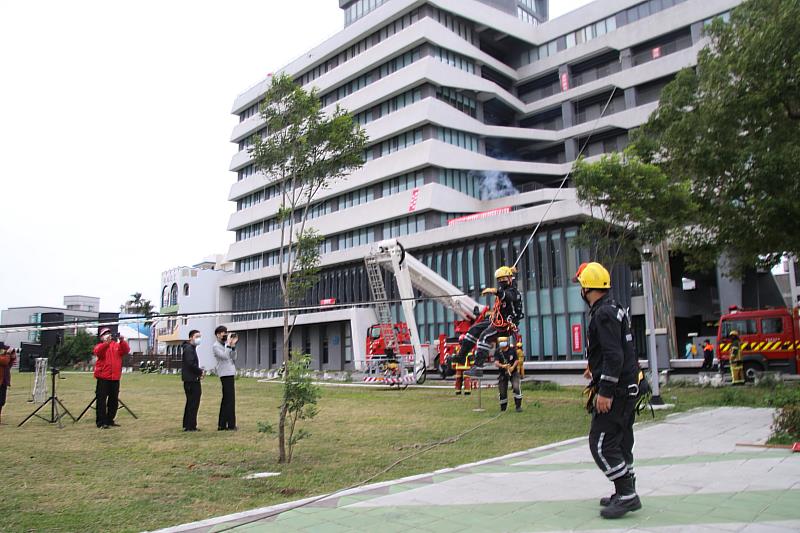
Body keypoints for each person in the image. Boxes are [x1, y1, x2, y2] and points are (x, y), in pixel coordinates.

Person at [574, 261, 642, 519]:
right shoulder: (615, 309)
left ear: (586, 288)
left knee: (600, 444)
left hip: (617, 391)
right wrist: (595, 368)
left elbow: (614, 356)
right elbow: (619, 351)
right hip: (628, 386)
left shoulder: (602, 314)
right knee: (621, 440)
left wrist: (605, 391)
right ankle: (624, 490)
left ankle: (627, 495)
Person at [454, 266, 524, 368]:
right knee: (474, 329)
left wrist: (494, 291)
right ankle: (461, 356)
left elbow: (507, 296)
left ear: (509, 279)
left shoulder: (514, 292)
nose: (501, 281)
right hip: (497, 320)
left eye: (503, 279)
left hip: (506, 325)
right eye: (499, 280)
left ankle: (478, 366)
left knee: (484, 336)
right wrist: (511, 272)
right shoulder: (507, 285)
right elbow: (507, 286)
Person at [93, 328, 130, 429]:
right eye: (105, 334)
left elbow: (126, 350)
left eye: (109, 333)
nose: (108, 335)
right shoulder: (100, 346)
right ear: (101, 337)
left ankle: (110, 420)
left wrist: (122, 340)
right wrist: (106, 343)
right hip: (103, 377)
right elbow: (98, 352)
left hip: (115, 377)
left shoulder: (116, 346)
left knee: (113, 401)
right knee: (101, 400)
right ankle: (101, 422)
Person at [213, 326, 238, 431]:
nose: (225, 335)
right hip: (224, 373)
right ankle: (230, 424)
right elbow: (225, 356)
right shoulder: (216, 346)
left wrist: (233, 346)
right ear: (218, 334)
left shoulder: (225, 345)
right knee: (229, 399)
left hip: (230, 372)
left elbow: (234, 357)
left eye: (226, 333)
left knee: (227, 399)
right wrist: (228, 344)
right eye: (223, 333)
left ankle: (223, 424)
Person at [181, 330, 204, 431]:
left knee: (190, 402)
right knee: (193, 402)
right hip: (191, 380)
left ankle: (187, 423)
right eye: (197, 336)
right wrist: (200, 371)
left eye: (200, 336)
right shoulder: (189, 349)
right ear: (191, 338)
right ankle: (191, 426)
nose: (199, 338)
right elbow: (191, 364)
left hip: (190, 378)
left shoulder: (190, 348)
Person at [494, 336, 523, 412]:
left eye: (503, 341)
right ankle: (503, 408)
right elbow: (496, 363)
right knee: (502, 391)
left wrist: (512, 367)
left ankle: (518, 407)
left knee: (516, 387)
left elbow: (516, 360)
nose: (502, 343)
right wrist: (503, 366)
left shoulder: (512, 350)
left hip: (513, 372)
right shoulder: (498, 351)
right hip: (503, 373)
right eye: (501, 342)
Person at [0, 343, 17, 425]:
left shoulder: (4, 355)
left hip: (3, 381)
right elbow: (4, 361)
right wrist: (8, 353)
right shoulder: (3, 356)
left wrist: (12, 354)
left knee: (1, 401)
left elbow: (10, 363)